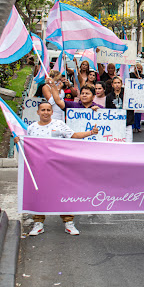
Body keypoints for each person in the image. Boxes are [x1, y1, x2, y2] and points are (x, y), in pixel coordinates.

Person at [15, 101, 99, 236]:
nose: (46, 112)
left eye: (48, 110)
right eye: (43, 110)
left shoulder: (59, 125)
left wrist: (90, 132)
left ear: (52, 112)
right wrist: (19, 140)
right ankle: (38, 223)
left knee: (63, 193)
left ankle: (68, 223)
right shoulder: (32, 128)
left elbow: (74, 136)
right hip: (40, 168)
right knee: (39, 194)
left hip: (59, 167)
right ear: (38, 112)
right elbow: (27, 146)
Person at [105, 76, 134, 142]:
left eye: (118, 83)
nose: (117, 85)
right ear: (112, 85)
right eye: (115, 83)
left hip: (127, 123)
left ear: (121, 84)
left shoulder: (128, 94)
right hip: (115, 123)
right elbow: (108, 110)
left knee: (128, 143)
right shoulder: (109, 96)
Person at [130, 64, 144, 133]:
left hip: (139, 96)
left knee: (138, 112)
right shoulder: (131, 75)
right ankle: (132, 126)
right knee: (132, 112)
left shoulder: (142, 76)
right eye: (137, 68)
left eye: (140, 68)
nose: (138, 69)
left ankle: (138, 126)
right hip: (132, 95)